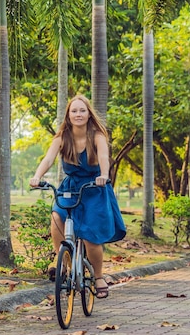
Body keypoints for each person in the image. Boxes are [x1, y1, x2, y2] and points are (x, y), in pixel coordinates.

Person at [30, 95, 126, 298]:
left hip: (94, 187)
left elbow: (103, 158)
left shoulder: (97, 135)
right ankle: (63, 262)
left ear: (89, 113)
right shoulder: (62, 137)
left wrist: (104, 175)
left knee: (91, 239)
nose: (78, 114)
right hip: (71, 187)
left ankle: (98, 276)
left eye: (82, 110)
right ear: (68, 115)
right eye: (74, 111)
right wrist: (37, 176)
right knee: (57, 217)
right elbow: (48, 159)